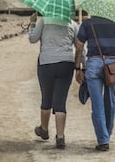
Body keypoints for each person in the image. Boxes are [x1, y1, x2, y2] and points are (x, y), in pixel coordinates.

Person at [74, 16, 115, 151]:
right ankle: (107, 134)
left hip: (93, 64)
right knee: (110, 102)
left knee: (97, 104)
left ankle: (103, 140)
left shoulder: (87, 23)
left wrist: (77, 68)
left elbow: (79, 47)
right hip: (112, 66)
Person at [29, 16, 80, 149]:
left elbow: (32, 39)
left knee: (46, 97)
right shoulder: (72, 23)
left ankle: (44, 129)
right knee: (60, 101)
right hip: (66, 63)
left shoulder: (44, 20)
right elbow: (79, 46)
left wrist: (32, 24)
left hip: (47, 63)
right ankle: (60, 137)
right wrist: (81, 66)